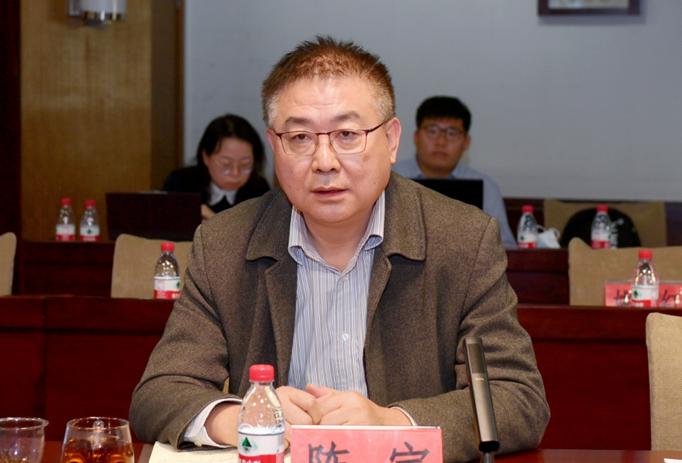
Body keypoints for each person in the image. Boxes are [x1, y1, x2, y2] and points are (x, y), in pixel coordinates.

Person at [130, 36, 549, 463]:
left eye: (348, 134)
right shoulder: (224, 243)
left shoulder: (463, 239)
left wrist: (392, 424)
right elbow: (160, 392)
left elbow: (518, 399)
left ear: (391, 140)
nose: (325, 161)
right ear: (274, 146)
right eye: (300, 137)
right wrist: (244, 417)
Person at [393, 97, 517, 247]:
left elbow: (504, 247)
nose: (441, 142)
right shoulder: (390, 177)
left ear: (466, 142)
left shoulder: (487, 186)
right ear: (416, 137)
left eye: (452, 133)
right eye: (432, 131)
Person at [162, 114, 270, 220]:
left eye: (245, 164)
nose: (235, 173)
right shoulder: (180, 184)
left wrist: (214, 221)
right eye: (226, 164)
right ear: (206, 157)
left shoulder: (260, 190)